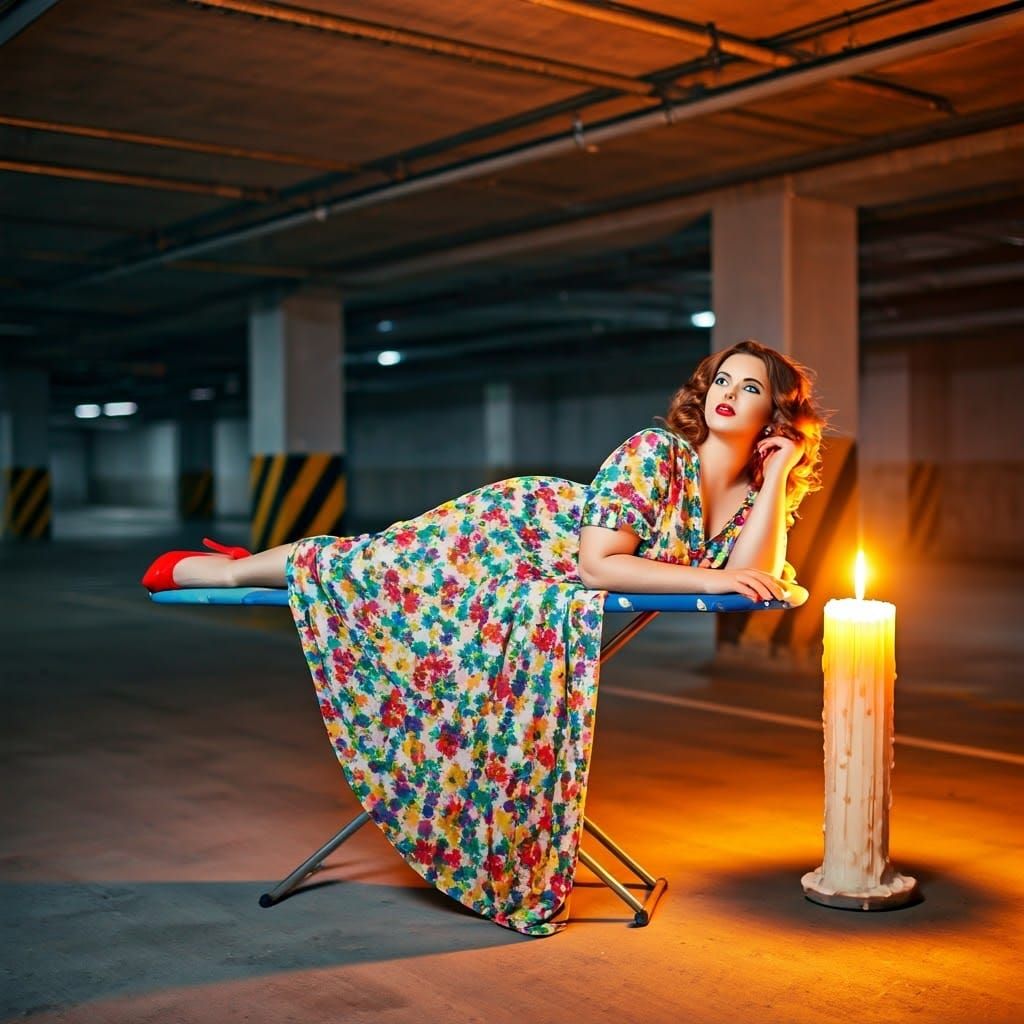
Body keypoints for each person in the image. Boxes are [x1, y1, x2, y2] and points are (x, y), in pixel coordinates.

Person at [142, 339, 824, 936]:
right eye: (724, 380)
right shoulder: (656, 455)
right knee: (358, 563)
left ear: (776, 416)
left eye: (752, 388)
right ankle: (228, 569)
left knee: (366, 567)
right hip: (509, 533)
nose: (729, 394)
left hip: (545, 565)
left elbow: (754, 574)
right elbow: (597, 565)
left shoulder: (754, 496)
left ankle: (242, 565)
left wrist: (779, 473)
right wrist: (711, 581)